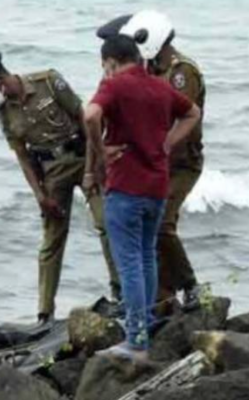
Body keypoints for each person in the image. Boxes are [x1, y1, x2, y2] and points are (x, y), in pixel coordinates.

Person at [0, 52, 120, 325]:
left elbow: (83, 119)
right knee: (51, 241)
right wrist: (40, 196)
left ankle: (120, 292)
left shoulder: (48, 81)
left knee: (106, 224)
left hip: (82, 158)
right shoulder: (2, 111)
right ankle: (44, 314)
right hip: (51, 172)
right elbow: (23, 156)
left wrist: (94, 168)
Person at [84, 34, 200, 360]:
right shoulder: (161, 86)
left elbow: (91, 115)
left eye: (105, 66)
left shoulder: (115, 85)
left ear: (110, 62)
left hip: (126, 188)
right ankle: (145, 323)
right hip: (157, 186)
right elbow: (192, 113)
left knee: (130, 264)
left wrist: (100, 150)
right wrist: (167, 144)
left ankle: (136, 341)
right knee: (147, 256)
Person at [98, 10, 207, 312]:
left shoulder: (182, 72)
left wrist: (163, 144)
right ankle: (160, 298)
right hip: (153, 163)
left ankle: (190, 285)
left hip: (182, 162)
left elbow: (180, 116)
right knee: (147, 234)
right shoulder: (149, 70)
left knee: (162, 226)